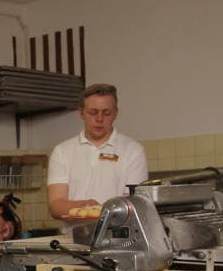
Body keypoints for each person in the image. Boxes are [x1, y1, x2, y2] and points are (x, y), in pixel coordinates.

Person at [47, 83, 148, 219]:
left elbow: (135, 203)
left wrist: (103, 212)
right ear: (81, 113)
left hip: (118, 236)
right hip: (73, 237)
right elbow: (55, 205)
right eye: (93, 112)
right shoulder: (62, 152)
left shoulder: (133, 150)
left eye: (106, 113)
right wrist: (85, 205)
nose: (99, 119)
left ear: (115, 114)